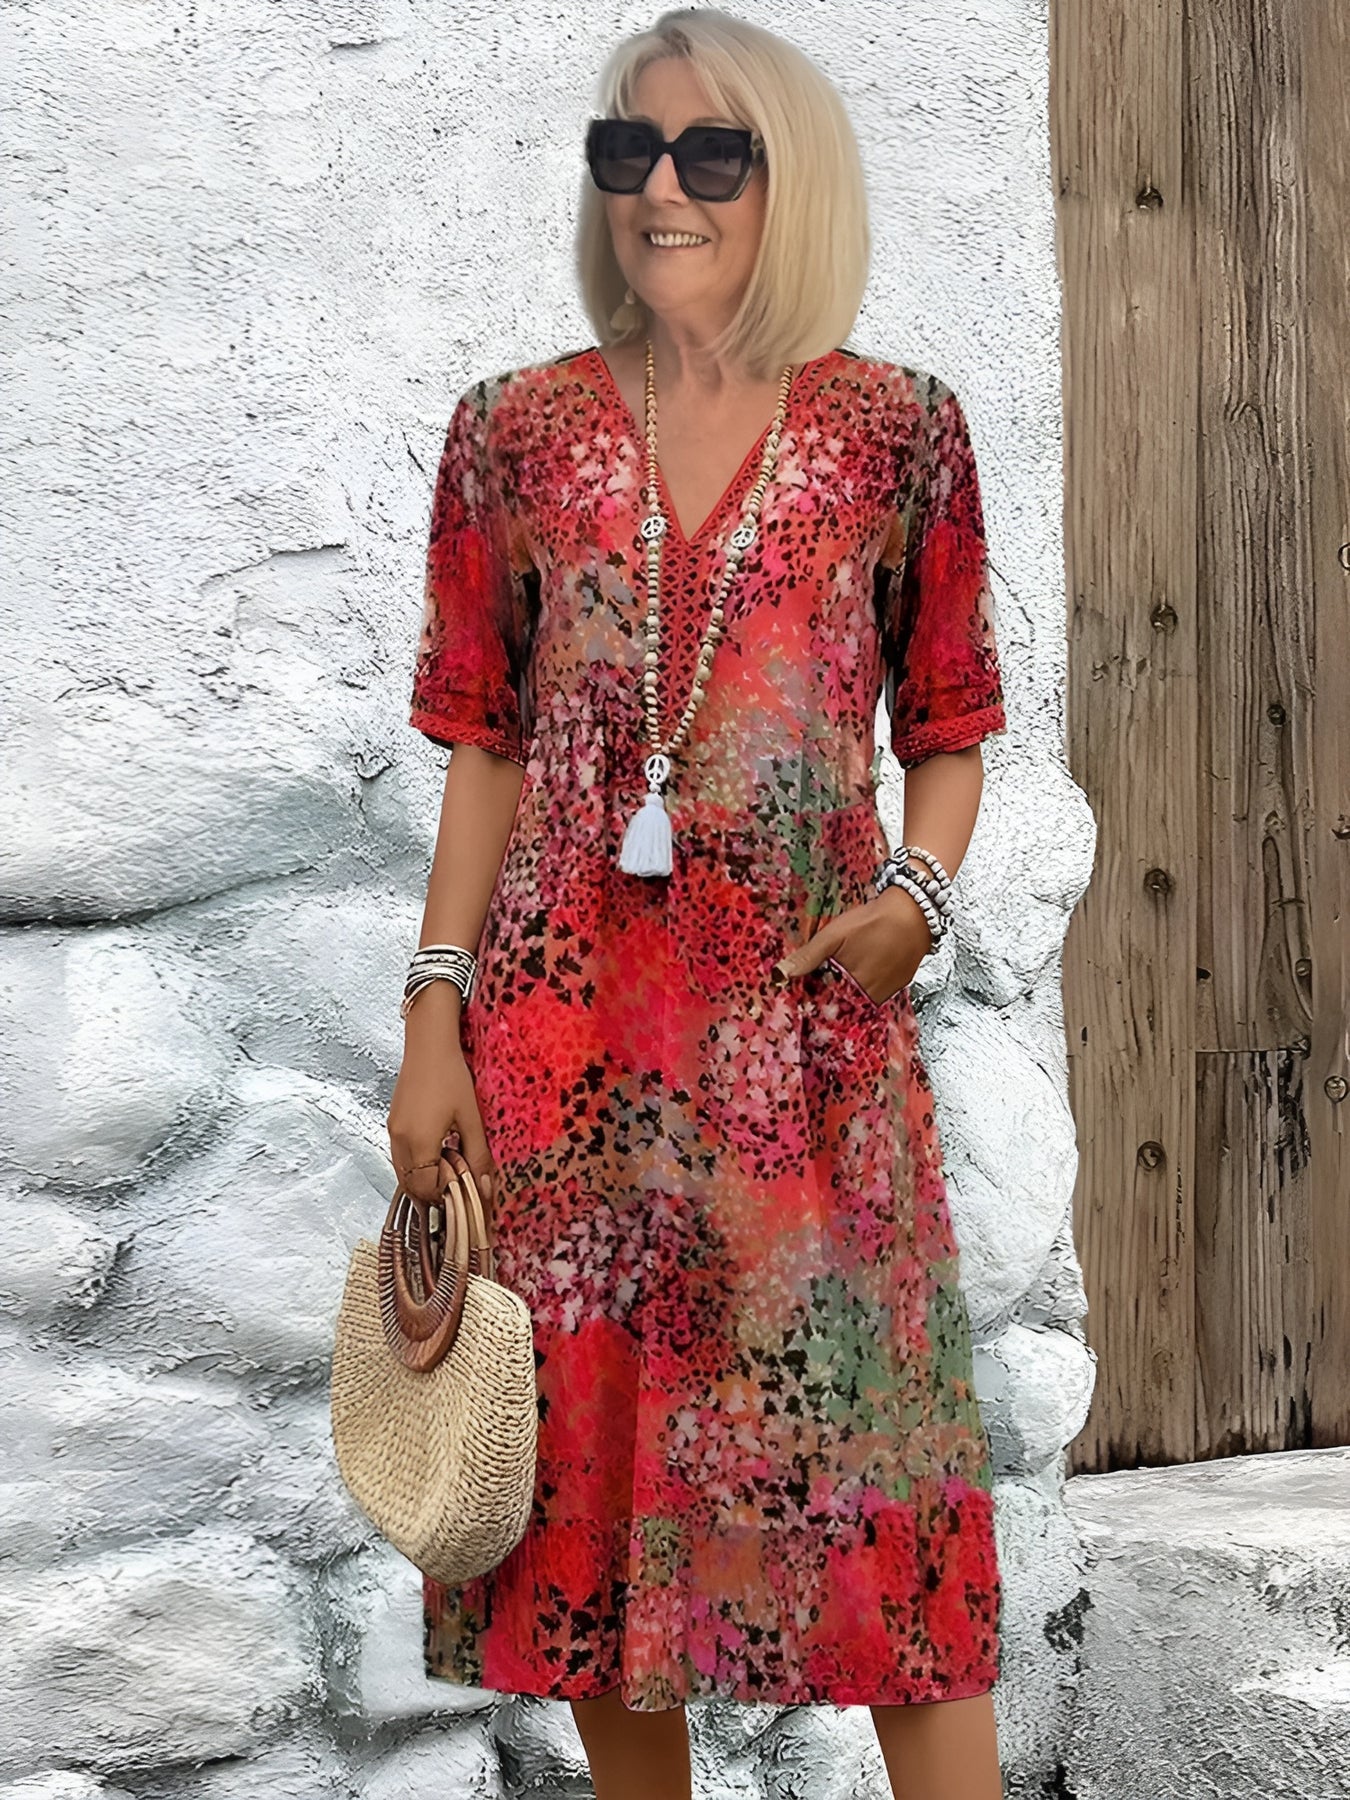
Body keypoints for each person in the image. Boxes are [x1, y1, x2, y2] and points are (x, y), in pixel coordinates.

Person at [386, 9, 1010, 1798]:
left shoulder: (899, 432)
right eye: (627, 152)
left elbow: (951, 724)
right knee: (584, 1504)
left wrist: (913, 898)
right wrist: (432, 1014)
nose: (660, 189)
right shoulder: (514, 434)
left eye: (709, 153)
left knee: (879, 1507)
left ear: (784, 181)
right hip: (560, 1054)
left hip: (804, 1058)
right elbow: (484, 742)